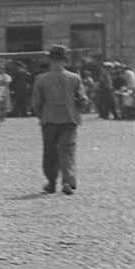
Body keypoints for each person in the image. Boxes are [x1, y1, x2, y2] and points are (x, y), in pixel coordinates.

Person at [31, 44, 88, 194]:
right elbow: (83, 99)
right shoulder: (75, 78)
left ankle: (51, 182)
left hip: (49, 120)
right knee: (67, 151)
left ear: (49, 60)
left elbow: (36, 103)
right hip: (69, 119)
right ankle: (68, 182)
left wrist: (41, 116)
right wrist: (78, 107)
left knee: (50, 152)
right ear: (65, 61)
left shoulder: (41, 79)